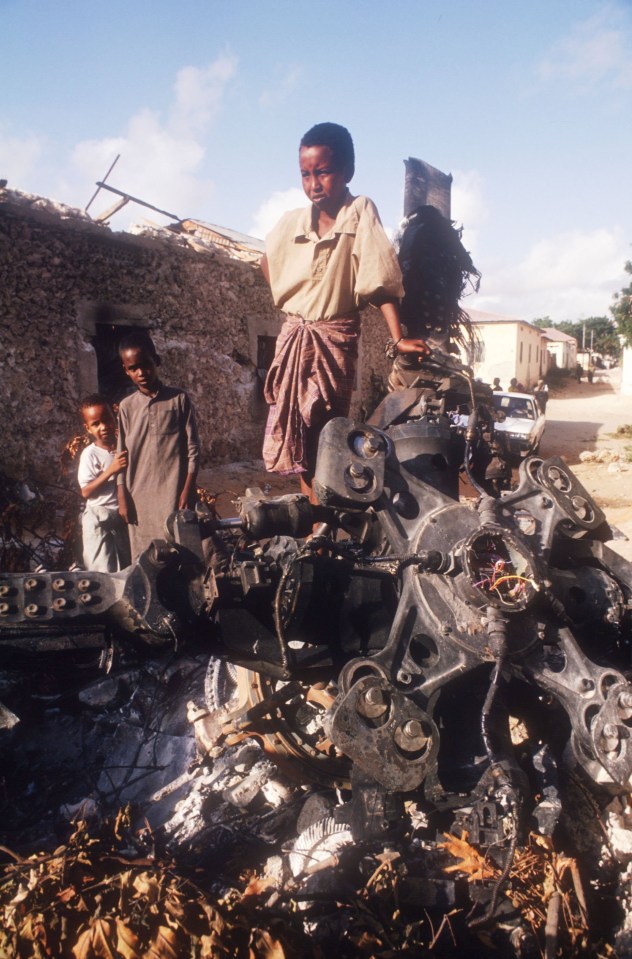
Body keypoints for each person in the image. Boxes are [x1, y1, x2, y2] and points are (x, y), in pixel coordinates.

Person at [260, 122, 430, 500]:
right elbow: (265, 260)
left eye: (323, 172)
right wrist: (290, 301)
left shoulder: (358, 211)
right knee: (299, 432)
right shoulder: (291, 223)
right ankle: (313, 511)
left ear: (347, 172)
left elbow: (379, 278)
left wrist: (398, 338)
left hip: (332, 339)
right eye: (305, 174)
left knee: (326, 428)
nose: (313, 183)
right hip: (296, 338)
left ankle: (326, 510)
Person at [116, 332, 200, 560]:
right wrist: (122, 494)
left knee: (178, 551)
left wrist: (188, 488)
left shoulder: (178, 399)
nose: (141, 373)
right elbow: (120, 455)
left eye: (146, 365)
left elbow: (193, 449)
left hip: (173, 493)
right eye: (134, 368)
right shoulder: (126, 407)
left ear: (157, 361)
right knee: (146, 559)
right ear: (126, 370)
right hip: (139, 497)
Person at [77, 394, 130, 572]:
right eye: (96, 424)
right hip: (98, 519)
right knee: (102, 569)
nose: (104, 427)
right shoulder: (90, 454)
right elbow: (86, 491)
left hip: (121, 518)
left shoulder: (124, 447)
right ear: (88, 428)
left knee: (127, 568)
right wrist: (110, 470)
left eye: (107, 420)